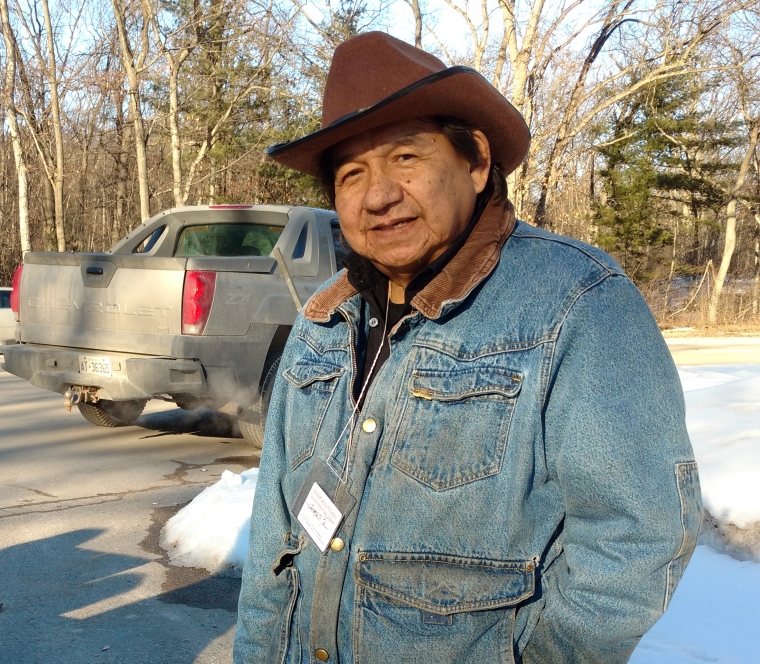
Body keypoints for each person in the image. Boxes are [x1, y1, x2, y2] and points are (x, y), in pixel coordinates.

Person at [234, 32, 700, 664]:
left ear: (476, 161)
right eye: (351, 173)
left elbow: (636, 535)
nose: (377, 195)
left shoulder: (575, 302)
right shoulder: (322, 322)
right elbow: (272, 544)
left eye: (405, 158)